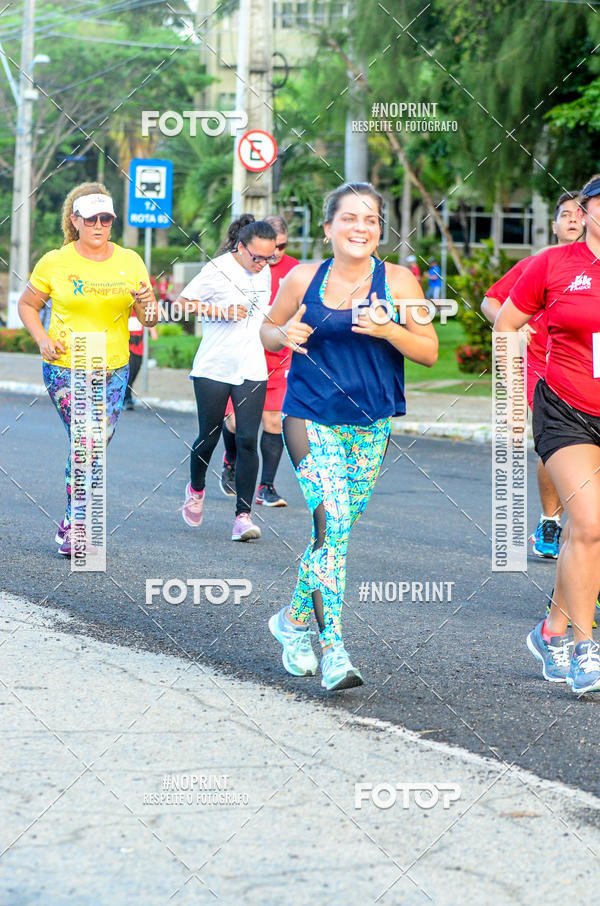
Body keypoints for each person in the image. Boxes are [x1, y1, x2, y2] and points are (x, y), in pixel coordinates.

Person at [260, 182, 438, 691]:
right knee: (332, 524)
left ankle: (291, 620)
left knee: (334, 534)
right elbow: (268, 330)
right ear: (328, 227)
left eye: (371, 220)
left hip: (372, 423)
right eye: (350, 219)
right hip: (310, 416)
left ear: (379, 230)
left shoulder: (400, 281)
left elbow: (427, 350)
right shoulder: (301, 278)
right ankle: (332, 646)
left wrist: (390, 331)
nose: (361, 228)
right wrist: (282, 335)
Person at [496, 173, 600, 695]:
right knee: (589, 522)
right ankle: (586, 648)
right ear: (584, 211)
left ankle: (551, 629)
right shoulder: (552, 266)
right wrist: (519, 386)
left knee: (591, 534)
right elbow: (506, 322)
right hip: (568, 411)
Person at [17, 182, 157, 556]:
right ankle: (79, 524)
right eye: (91, 218)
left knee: (96, 443)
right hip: (65, 363)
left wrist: (146, 303)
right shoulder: (55, 261)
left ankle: (69, 520)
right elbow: (28, 305)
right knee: (87, 442)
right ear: (75, 220)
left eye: (105, 219)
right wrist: (42, 339)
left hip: (112, 366)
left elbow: (150, 318)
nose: (99, 225)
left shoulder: (130, 260)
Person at [481, 191, 583, 558]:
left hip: (587, 365)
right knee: (554, 443)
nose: (572, 219)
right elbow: (491, 302)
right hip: (541, 363)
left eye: (579, 213)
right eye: (565, 214)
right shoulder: (540, 263)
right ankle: (551, 521)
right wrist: (512, 327)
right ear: (553, 225)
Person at [177, 215, 277, 541]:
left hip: (252, 368)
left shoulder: (266, 274)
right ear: (241, 246)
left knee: (248, 439)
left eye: (269, 257)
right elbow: (182, 304)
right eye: (257, 257)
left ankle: (243, 518)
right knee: (209, 436)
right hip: (213, 367)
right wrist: (220, 311)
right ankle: (196, 489)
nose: (263, 263)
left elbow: (266, 318)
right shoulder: (218, 269)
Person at [220, 214, 300, 506]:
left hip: (278, 356)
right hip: (243, 353)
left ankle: (266, 486)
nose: (275, 253)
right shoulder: (241, 266)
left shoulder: (297, 271)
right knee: (234, 421)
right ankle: (230, 462)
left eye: (282, 246)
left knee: (273, 421)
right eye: (271, 247)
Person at [124, 311, 158, 410]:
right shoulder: (126, 306)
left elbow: (148, 319)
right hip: (126, 346)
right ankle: (127, 399)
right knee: (128, 373)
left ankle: (125, 395)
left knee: (135, 370)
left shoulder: (141, 307)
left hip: (139, 347)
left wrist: (153, 331)